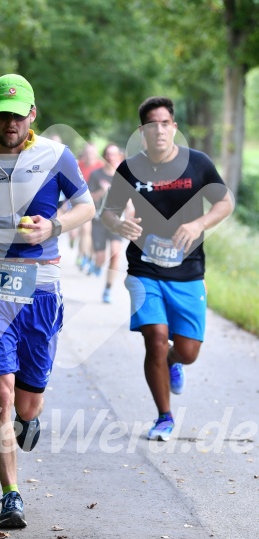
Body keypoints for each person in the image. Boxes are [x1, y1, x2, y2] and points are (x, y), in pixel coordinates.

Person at [0, 74, 94, 527]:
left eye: (18, 113)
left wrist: (53, 227)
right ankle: (11, 496)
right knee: (2, 395)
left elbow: (87, 206)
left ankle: (30, 419)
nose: (11, 121)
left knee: (28, 403)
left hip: (42, 286)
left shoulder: (56, 156)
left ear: (32, 115)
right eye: (3, 113)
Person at [101, 96, 233, 441]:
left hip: (187, 270)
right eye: (151, 125)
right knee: (156, 338)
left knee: (187, 351)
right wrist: (121, 225)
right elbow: (108, 212)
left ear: (173, 127)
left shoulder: (197, 164)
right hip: (144, 269)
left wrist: (199, 224)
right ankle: (164, 416)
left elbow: (225, 201)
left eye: (165, 123)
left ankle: (174, 362)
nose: (159, 130)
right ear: (142, 131)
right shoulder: (130, 168)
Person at [87, 143, 123, 303]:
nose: (110, 157)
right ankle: (96, 263)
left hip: (116, 221)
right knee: (100, 257)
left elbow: (130, 198)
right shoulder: (96, 175)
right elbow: (89, 198)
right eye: (108, 154)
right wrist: (103, 190)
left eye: (114, 154)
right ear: (104, 156)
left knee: (116, 254)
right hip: (99, 220)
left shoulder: (123, 176)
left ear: (119, 157)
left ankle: (108, 289)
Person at [75, 143, 104, 269]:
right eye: (87, 153)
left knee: (93, 233)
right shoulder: (78, 165)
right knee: (85, 230)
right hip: (80, 202)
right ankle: (82, 255)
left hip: (97, 203)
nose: (89, 155)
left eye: (92, 153)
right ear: (84, 154)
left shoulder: (100, 167)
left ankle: (90, 256)